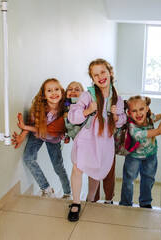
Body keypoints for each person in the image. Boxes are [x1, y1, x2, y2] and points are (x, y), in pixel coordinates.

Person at [67, 59, 126, 221]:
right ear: (92, 78)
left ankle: (90, 200)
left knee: (96, 171)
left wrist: (115, 115)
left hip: (104, 140)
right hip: (87, 137)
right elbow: (73, 117)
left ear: (110, 72)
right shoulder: (88, 95)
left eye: (103, 72)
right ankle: (76, 203)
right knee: (77, 168)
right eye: (95, 74)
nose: (100, 76)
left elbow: (121, 122)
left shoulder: (117, 98)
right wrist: (88, 111)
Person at [11, 78, 71, 198]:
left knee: (58, 166)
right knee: (28, 158)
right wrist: (22, 136)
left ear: (62, 91)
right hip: (38, 134)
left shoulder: (65, 108)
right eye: (49, 90)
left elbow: (62, 127)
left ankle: (67, 192)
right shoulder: (38, 108)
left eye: (56, 89)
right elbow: (31, 125)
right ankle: (46, 188)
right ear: (44, 95)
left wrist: (67, 134)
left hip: (54, 139)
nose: (54, 93)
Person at [119, 96, 161, 208]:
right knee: (128, 181)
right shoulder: (133, 129)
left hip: (150, 155)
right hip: (133, 157)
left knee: (148, 180)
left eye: (141, 109)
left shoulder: (148, 117)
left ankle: (145, 203)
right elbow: (160, 131)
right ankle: (125, 203)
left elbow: (155, 117)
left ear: (147, 108)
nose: (138, 113)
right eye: (134, 111)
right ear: (129, 113)